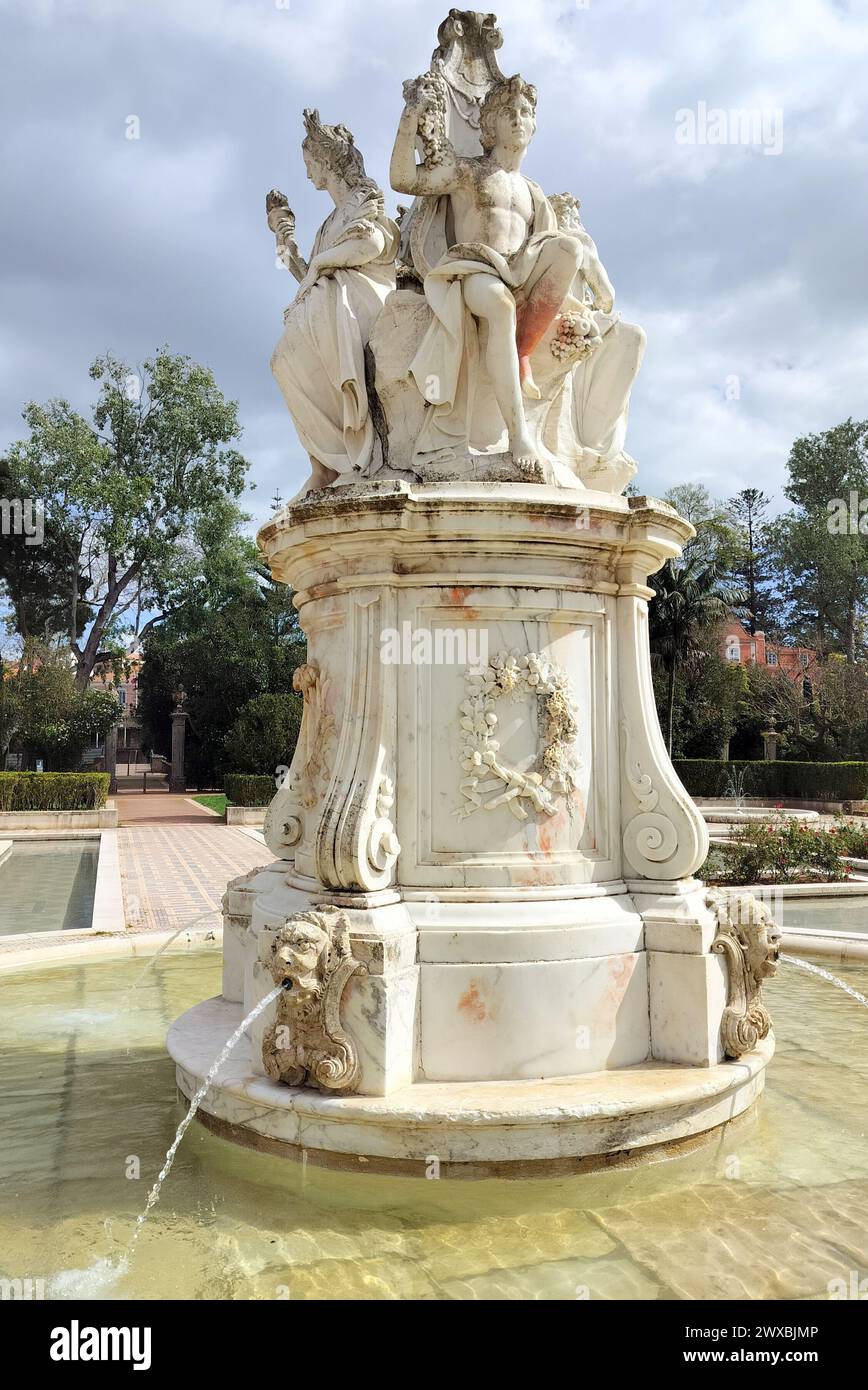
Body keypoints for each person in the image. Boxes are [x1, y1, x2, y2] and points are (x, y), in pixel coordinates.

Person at [268, 110, 400, 492]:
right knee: (281, 360)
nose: (308, 173)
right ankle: (325, 460)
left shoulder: (366, 196)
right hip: (329, 302)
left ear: (326, 160)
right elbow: (308, 272)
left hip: (367, 297)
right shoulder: (328, 223)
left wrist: (319, 269)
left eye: (310, 163)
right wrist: (283, 238)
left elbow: (371, 244)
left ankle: (351, 448)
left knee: (328, 294)